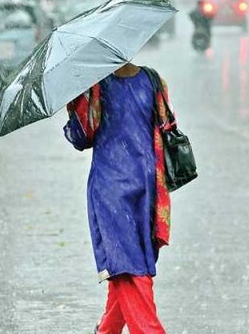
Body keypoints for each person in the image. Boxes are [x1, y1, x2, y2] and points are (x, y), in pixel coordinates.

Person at [63, 63, 174, 334]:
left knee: (128, 269)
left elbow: (80, 136)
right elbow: (168, 124)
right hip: (147, 187)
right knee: (133, 264)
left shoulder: (96, 86)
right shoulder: (153, 79)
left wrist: (75, 101)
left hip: (110, 189)